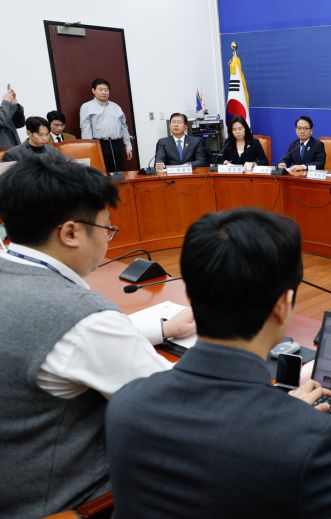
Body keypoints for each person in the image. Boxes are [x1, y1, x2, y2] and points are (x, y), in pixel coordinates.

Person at [105, 208, 331, 518]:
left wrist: (285, 410)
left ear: (190, 294)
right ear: (283, 305)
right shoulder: (310, 441)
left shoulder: (126, 404)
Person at [0, 154, 195, 517]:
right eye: (107, 228)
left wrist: (162, 328)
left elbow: (63, 345)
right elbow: (179, 404)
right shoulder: (82, 318)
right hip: (73, 498)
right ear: (71, 233)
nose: (108, 238)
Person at [79, 78, 133, 172]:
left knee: (119, 173)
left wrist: (128, 146)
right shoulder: (87, 107)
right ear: (93, 90)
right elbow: (85, 129)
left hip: (117, 144)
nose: (104, 92)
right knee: (102, 173)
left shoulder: (116, 107)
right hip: (100, 144)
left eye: (106, 90)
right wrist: (89, 149)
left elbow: (124, 127)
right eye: (100, 89)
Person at [0, 86, 25, 150]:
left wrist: (13, 105)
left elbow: (19, 123)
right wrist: (6, 103)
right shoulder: (4, 106)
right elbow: (1, 120)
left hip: (14, 149)